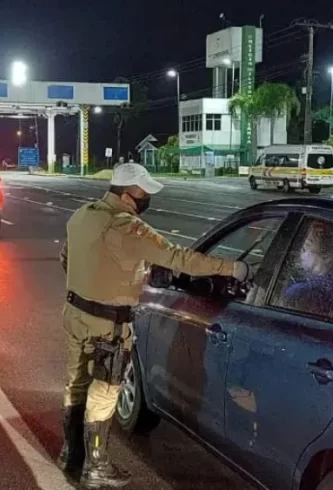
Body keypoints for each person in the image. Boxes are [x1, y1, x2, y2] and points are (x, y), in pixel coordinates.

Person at [57, 163, 249, 488]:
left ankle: (70, 454)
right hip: (108, 326)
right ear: (130, 193)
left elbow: (67, 258)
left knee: (76, 385)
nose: (146, 198)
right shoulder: (127, 227)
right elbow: (180, 258)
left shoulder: (83, 215)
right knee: (104, 394)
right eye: (144, 192)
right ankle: (97, 466)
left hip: (75, 315)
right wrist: (234, 268)